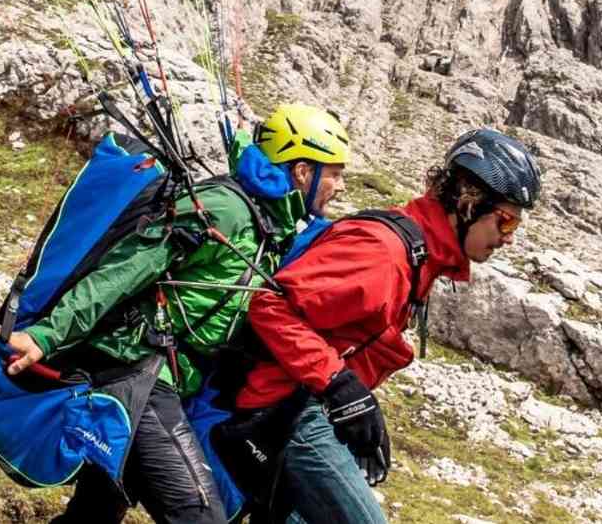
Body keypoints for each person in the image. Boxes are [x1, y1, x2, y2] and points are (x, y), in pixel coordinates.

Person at [0, 104, 351, 524]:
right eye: (334, 173)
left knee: (95, 513)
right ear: (302, 171)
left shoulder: (270, 226)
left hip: (166, 382)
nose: (338, 185)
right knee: (198, 516)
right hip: (136, 375)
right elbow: (124, 270)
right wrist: (45, 335)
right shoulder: (224, 209)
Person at [226, 127, 541, 523]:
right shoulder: (384, 253)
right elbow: (272, 306)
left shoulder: (420, 257)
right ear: (467, 202)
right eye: (506, 222)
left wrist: (354, 409)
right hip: (286, 411)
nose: (508, 239)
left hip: (308, 409)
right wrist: (339, 386)